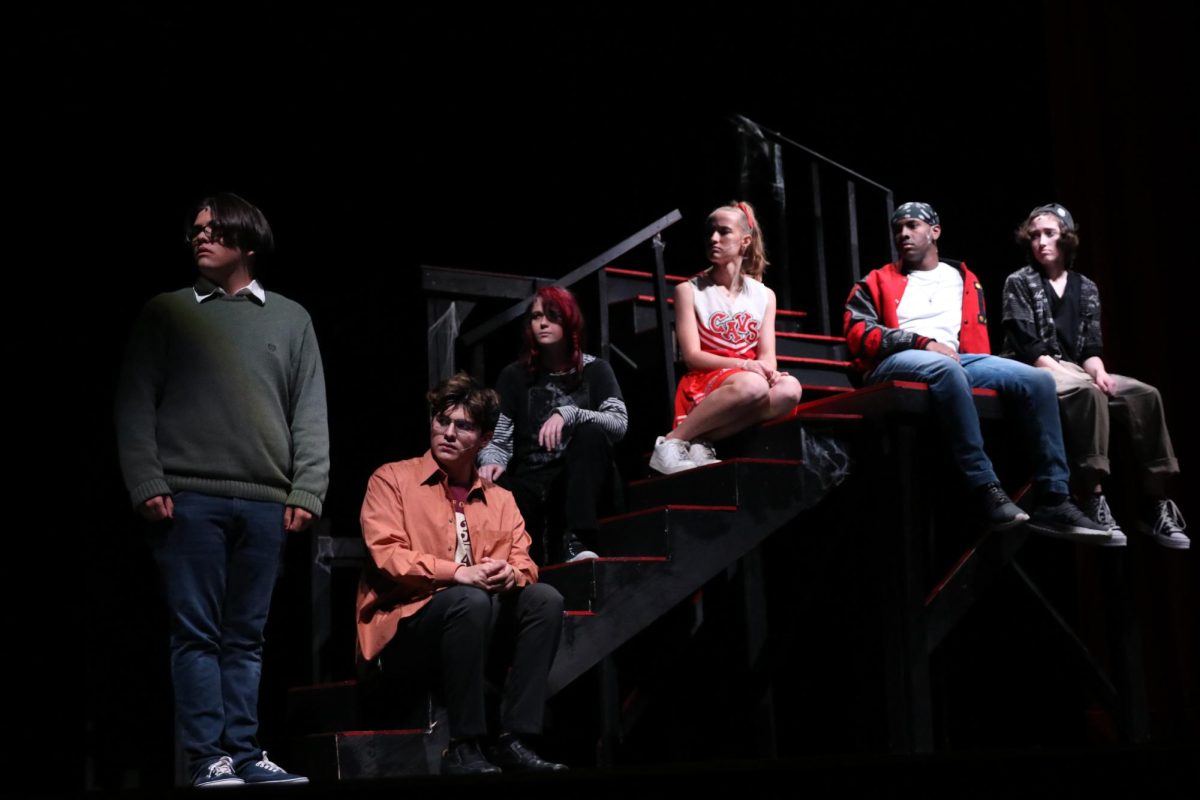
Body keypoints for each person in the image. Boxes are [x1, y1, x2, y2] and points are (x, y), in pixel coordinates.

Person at [115, 193, 326, 787]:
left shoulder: (291, 318)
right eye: (196, 231)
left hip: (264, 499)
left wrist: (307, 489)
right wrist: (146, 480)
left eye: (214, 230)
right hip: (190, 499)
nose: (200, 238)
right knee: (197, 634)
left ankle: (244, 750)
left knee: (247, 636)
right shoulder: (167, 311)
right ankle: (207, 756)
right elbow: (133, 402)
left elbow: (309, 410)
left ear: (248, 243)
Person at [843, 201, 1109, 543]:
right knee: (945, 368)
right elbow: (858, 330)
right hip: (897, 361)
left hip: (958, 359)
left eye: (912, 225)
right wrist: (920, 342)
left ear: (935, 231)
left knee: (1038, 379)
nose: (903, 234)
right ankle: (984, 487)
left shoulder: (964, 279)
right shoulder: (876, 280)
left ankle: (1054, 497)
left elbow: (974, 344)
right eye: (898, 229)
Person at [357, 373, 567, 775]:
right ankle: (463, 743)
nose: (448, 433)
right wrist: (458, 573)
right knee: (467, 597)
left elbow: (525, 561)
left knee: (546, 598)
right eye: (441, 421)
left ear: (485, 439)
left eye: (463, 426)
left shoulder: (501, 500)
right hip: (406, 623)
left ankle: (514, 738)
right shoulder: (393, 479)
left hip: (476, 622)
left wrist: (510, 575)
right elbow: (387, 555)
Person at [1001, 203, 1187, 549]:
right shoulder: (1019, 282)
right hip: (1034, 369)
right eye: (1035, 235)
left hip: (1075, 369)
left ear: (1066, 238)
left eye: (1049, 234)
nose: (1041, 242)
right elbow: (1028, 347)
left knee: (1145, 394)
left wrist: (1099, 372)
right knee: (1086, 392)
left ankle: (1154, 502)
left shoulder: (1085, 287)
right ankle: (1093, 494)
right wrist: (1080, 378)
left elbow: (1090, 348)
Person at [649, 200, 804, 474]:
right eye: (710, 231)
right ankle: (671, 442)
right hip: (707, 378)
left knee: (790, 390)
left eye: (723, 232)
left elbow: (768, 354)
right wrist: (745, 366)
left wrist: (769, 372)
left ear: (745, 242)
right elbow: (692, 357)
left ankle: (702, 438)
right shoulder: (689, 290)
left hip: (749, 379)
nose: (713, 238)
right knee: (754, 386)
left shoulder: (765, 295)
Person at [478, 287, 627, 563]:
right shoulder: (514, 376)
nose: (542, 323)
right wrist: (489, 459)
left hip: (579, 480)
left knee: (591, 433)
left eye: (551, 315)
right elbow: (498, 440)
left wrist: (570, 414)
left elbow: (618, 424)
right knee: (491, 482)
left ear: (569, 320)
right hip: (531, 482)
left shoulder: (595, 370)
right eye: (535, 316)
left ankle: (578, 540)